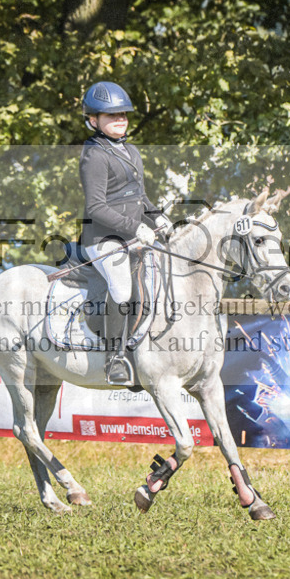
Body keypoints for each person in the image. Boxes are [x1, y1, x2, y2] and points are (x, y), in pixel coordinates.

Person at [78, 81, 169, 386]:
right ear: (93, 120)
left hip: (134, 235)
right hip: (102, 239)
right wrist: (135, 227)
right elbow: (96, 207)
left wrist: (159, 219)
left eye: (123, 115)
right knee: (121, 287)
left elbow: (139, 197)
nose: (120, 120)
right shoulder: (94, 155)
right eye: (111, 116)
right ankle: (114, 358)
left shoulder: (130, 150)